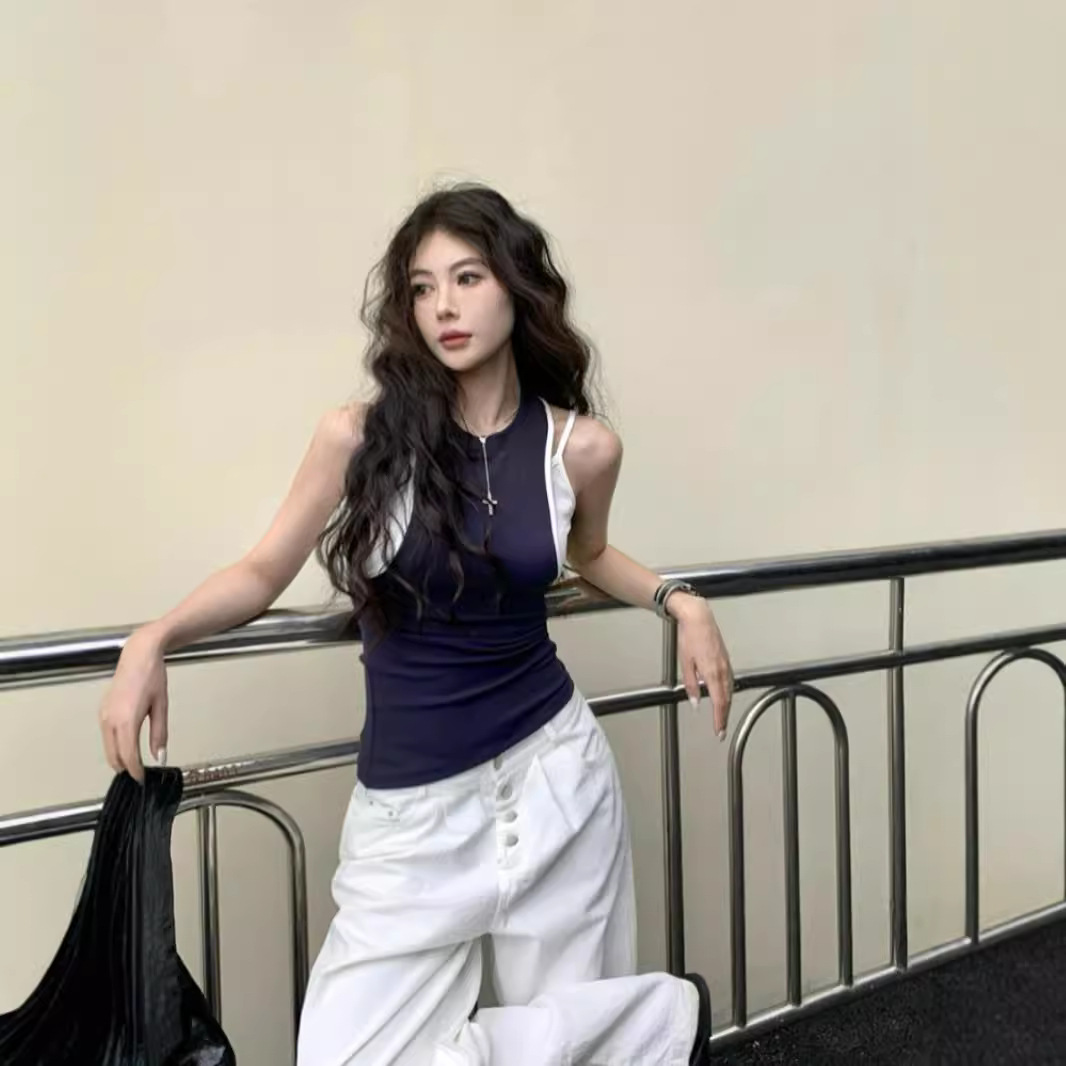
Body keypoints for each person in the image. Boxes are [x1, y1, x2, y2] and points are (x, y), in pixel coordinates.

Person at [98, 184, 734, 1066]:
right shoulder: (360, 440)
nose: (444, 306)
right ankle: (660, 1021)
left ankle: (635, 1027)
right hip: (415, 809)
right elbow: (262, 569)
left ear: (516, 286)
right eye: (423, 287)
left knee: (574, 1030)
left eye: (468, 278)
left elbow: (587, 552)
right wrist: (153, 637)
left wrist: (679, 600)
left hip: (555, 777)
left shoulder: (581, 448)